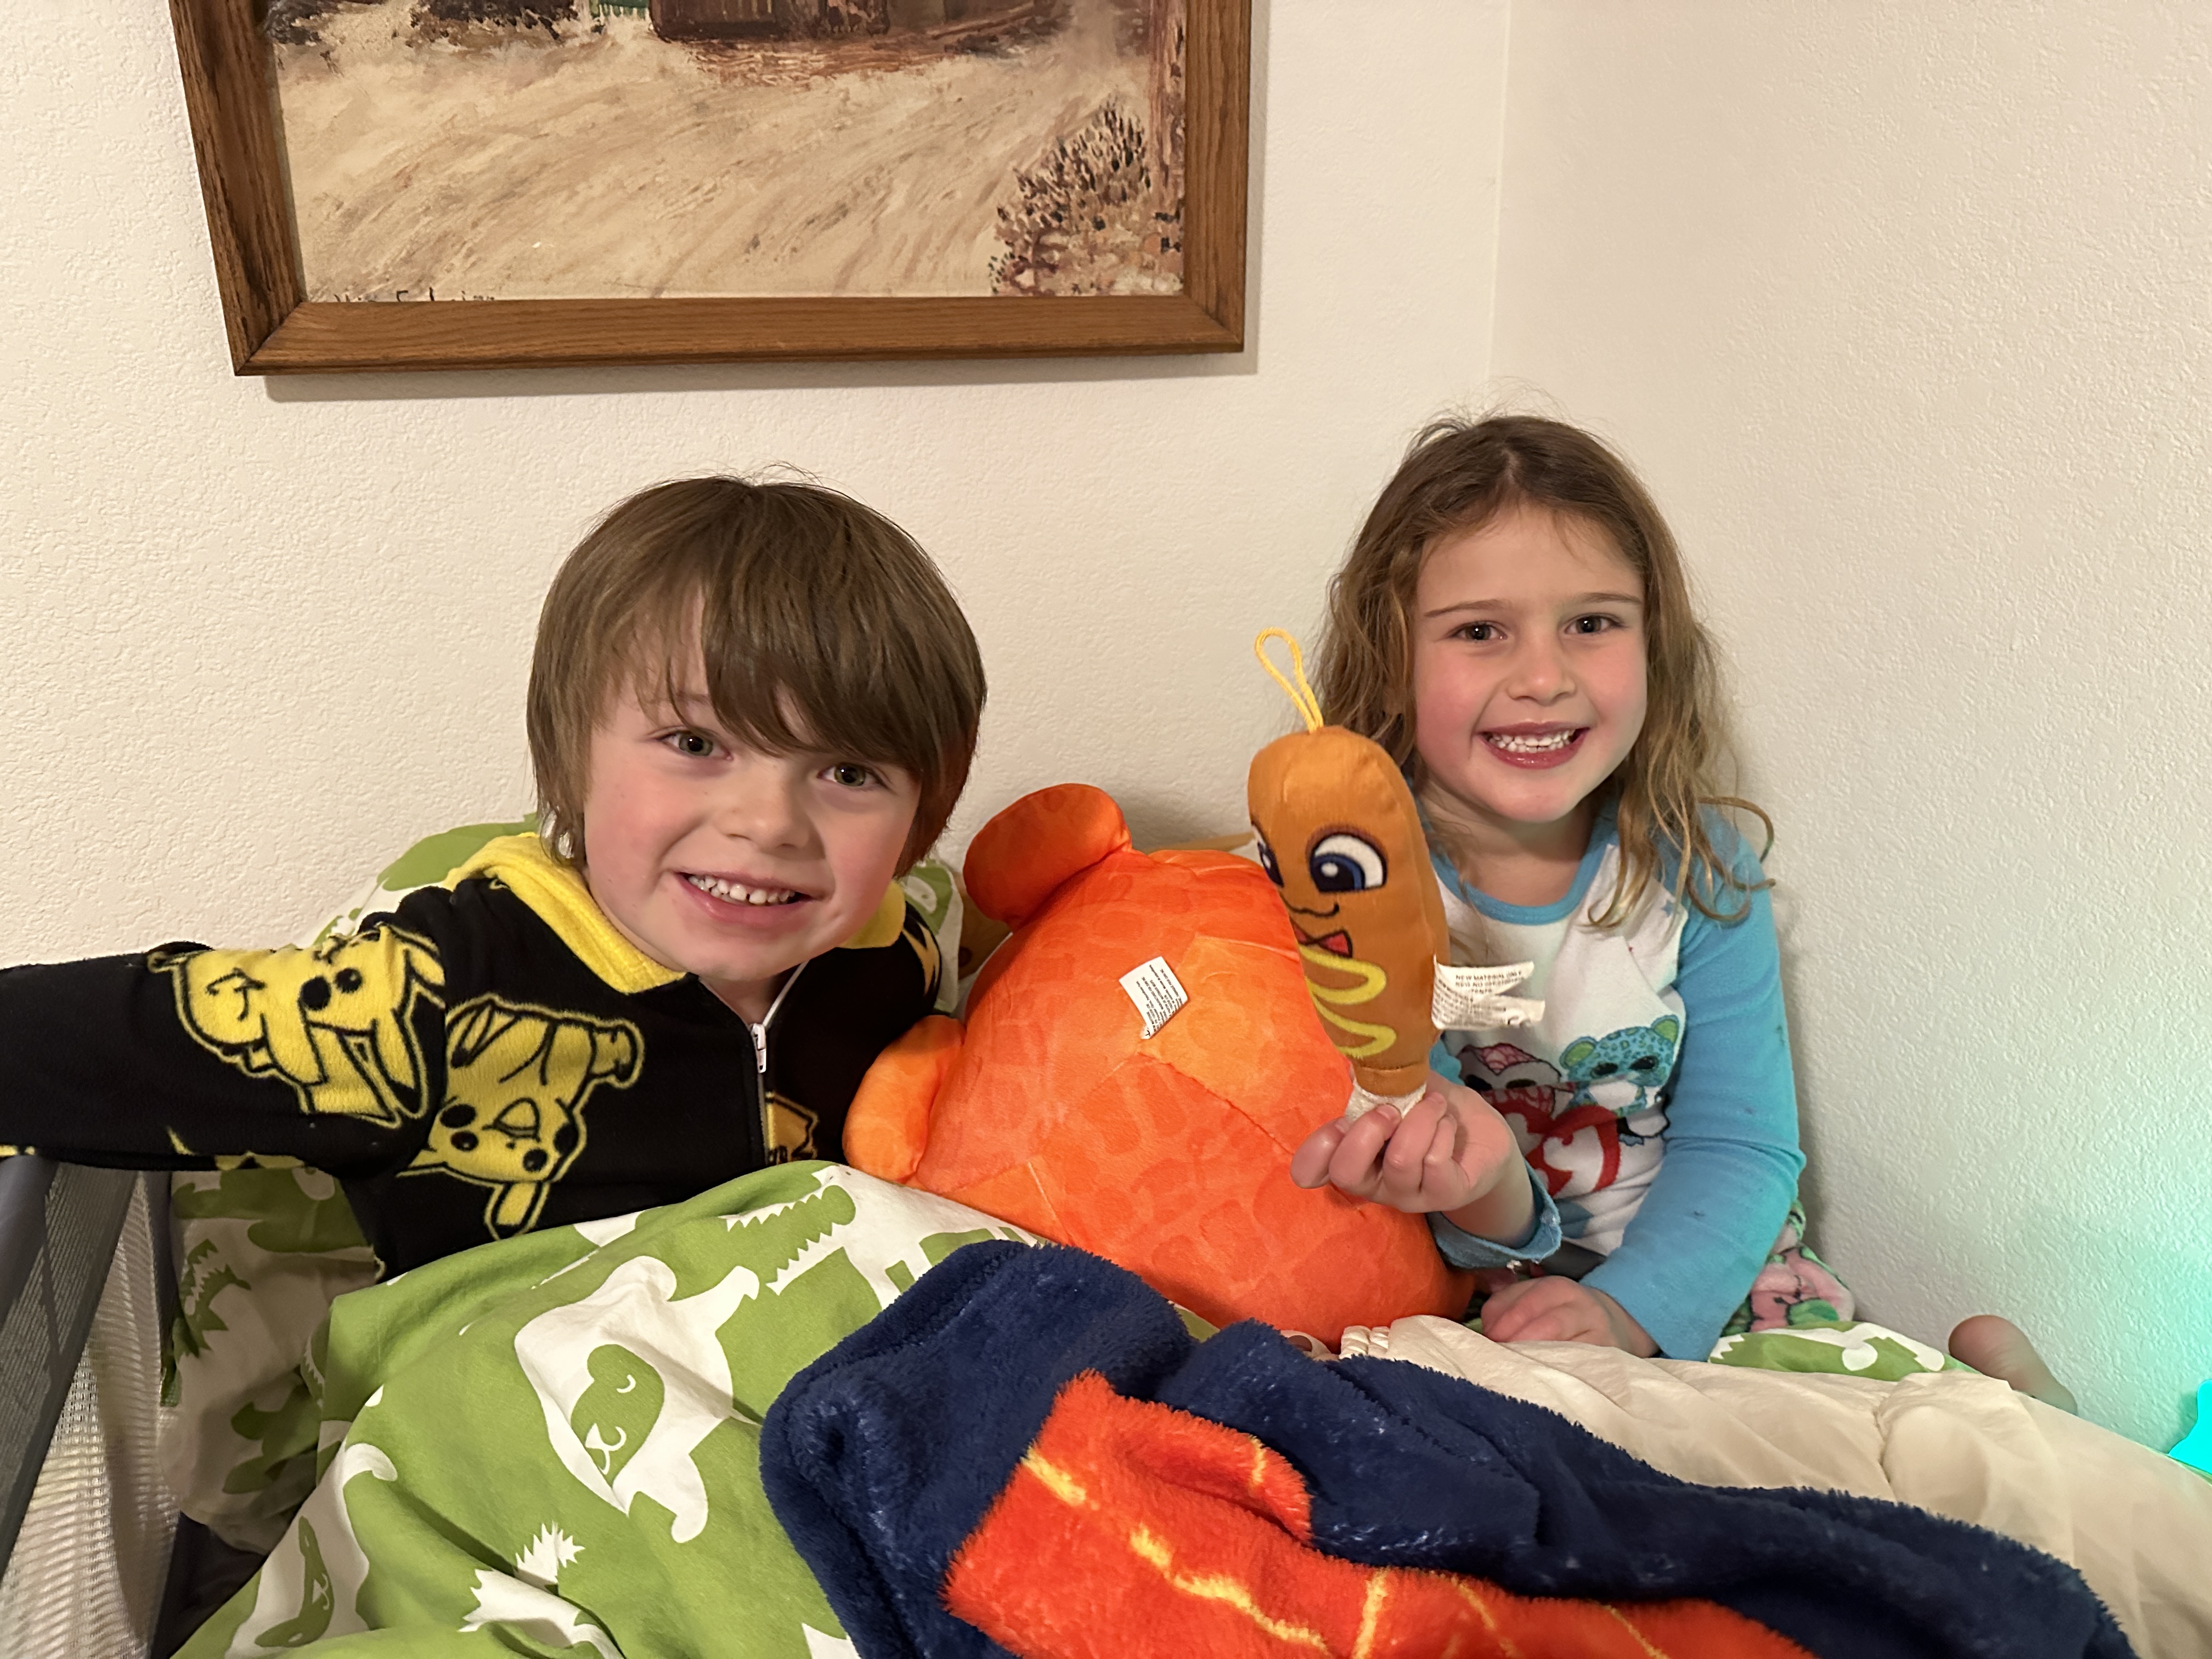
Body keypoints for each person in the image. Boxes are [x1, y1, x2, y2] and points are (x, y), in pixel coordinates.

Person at [0, 476, 986, 1278]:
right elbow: (82, 1038)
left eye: (848, 773)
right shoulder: (436, 988)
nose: (768, 823)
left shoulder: (892, 957)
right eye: (695, 743)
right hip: (486, 1428)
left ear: (919, 820)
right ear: (570, 760)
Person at [1286, 414, 1836, 1364]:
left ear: (1654, 642)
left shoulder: (1699, 866)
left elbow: (1744, 1145)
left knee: (1838, 1422)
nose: (1543, 677)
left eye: (1591, 624)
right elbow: (1418, 1158)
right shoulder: (1350, 880)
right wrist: (1496, 1199)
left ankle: (2003, 1387)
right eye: (1479, 631)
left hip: (1695, 1281)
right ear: (1391, 656)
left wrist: (1632, 1313)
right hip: (1460, 1285)